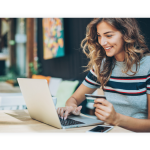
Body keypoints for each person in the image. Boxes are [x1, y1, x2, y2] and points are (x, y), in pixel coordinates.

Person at [57, 18, 150, 132]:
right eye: (99, 36)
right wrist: (71, 106)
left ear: (126, 34)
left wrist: (117, 119)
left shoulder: (147, 66)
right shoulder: (102, 66)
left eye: (109, 35)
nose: (102, 42)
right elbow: (74, 98)